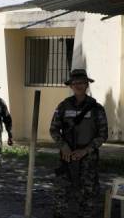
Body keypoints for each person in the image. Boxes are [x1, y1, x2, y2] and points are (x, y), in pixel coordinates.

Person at [50, 69, 108, 218]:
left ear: (87, 84)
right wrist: (64, 146)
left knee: (88, 193)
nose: (79, 85)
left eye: (82, 82)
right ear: (71, 85)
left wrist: (86, 150)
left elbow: (103, 135)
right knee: (61, 191)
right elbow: (54, 129)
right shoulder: (63, 106)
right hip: (67, 156)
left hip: (88, 157)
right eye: (75, 83)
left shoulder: (96, 108)